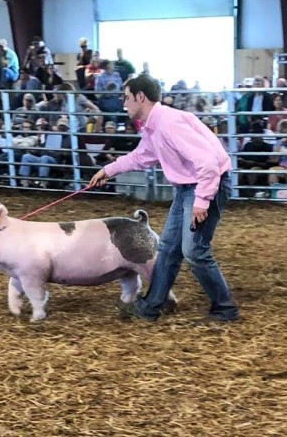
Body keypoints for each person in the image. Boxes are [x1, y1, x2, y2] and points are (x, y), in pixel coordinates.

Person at [88, 74, 239, 323]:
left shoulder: (168, 123)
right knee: (168, 249)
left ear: (140, 97)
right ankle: (151, 306)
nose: (123, 103)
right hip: (187, 188)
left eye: (126, 98)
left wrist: (201, 201)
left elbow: (208, 164)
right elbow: (141, 157)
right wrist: (108, 170)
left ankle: (225, 308)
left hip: (205, 185)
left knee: (194, 251)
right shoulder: (154, 125)